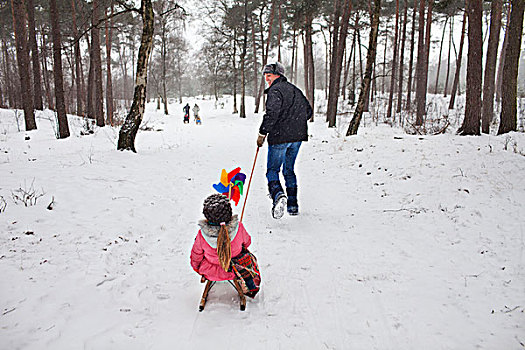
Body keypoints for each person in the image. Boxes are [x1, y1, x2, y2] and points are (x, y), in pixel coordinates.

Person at [257, 62, 312, 219]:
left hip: (280, 137)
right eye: (265, 75)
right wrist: (295, 123)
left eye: (269, 75)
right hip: (297, 137)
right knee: (289, 169)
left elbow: (272, 114)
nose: (266, 78)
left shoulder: (275, 91)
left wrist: (262, 133)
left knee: (272, 170)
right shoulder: (295, 90)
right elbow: (308, 111)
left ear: (278, 75)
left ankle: (278, 196)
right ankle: (293, 206)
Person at [190, 194, 252, 282]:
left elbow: (196, 256)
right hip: (235, 269)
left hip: (210, 272)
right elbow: (247, 242)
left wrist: (198, 269)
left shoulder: (202, 235)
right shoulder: (239, 227)